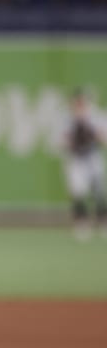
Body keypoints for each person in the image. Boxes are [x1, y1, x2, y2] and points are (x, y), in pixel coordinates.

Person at [62, 88, 107, 239]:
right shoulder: (67, 119)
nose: (80, 105)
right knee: (77, 191)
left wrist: (92, 132)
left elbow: (103, 138)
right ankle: (81, 223)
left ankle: (103, 221)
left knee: (97, 190)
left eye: (82, 102)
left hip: (92, 156)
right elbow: (62, 141)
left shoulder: (96, 116)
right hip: (76, 158)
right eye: (77, 102)